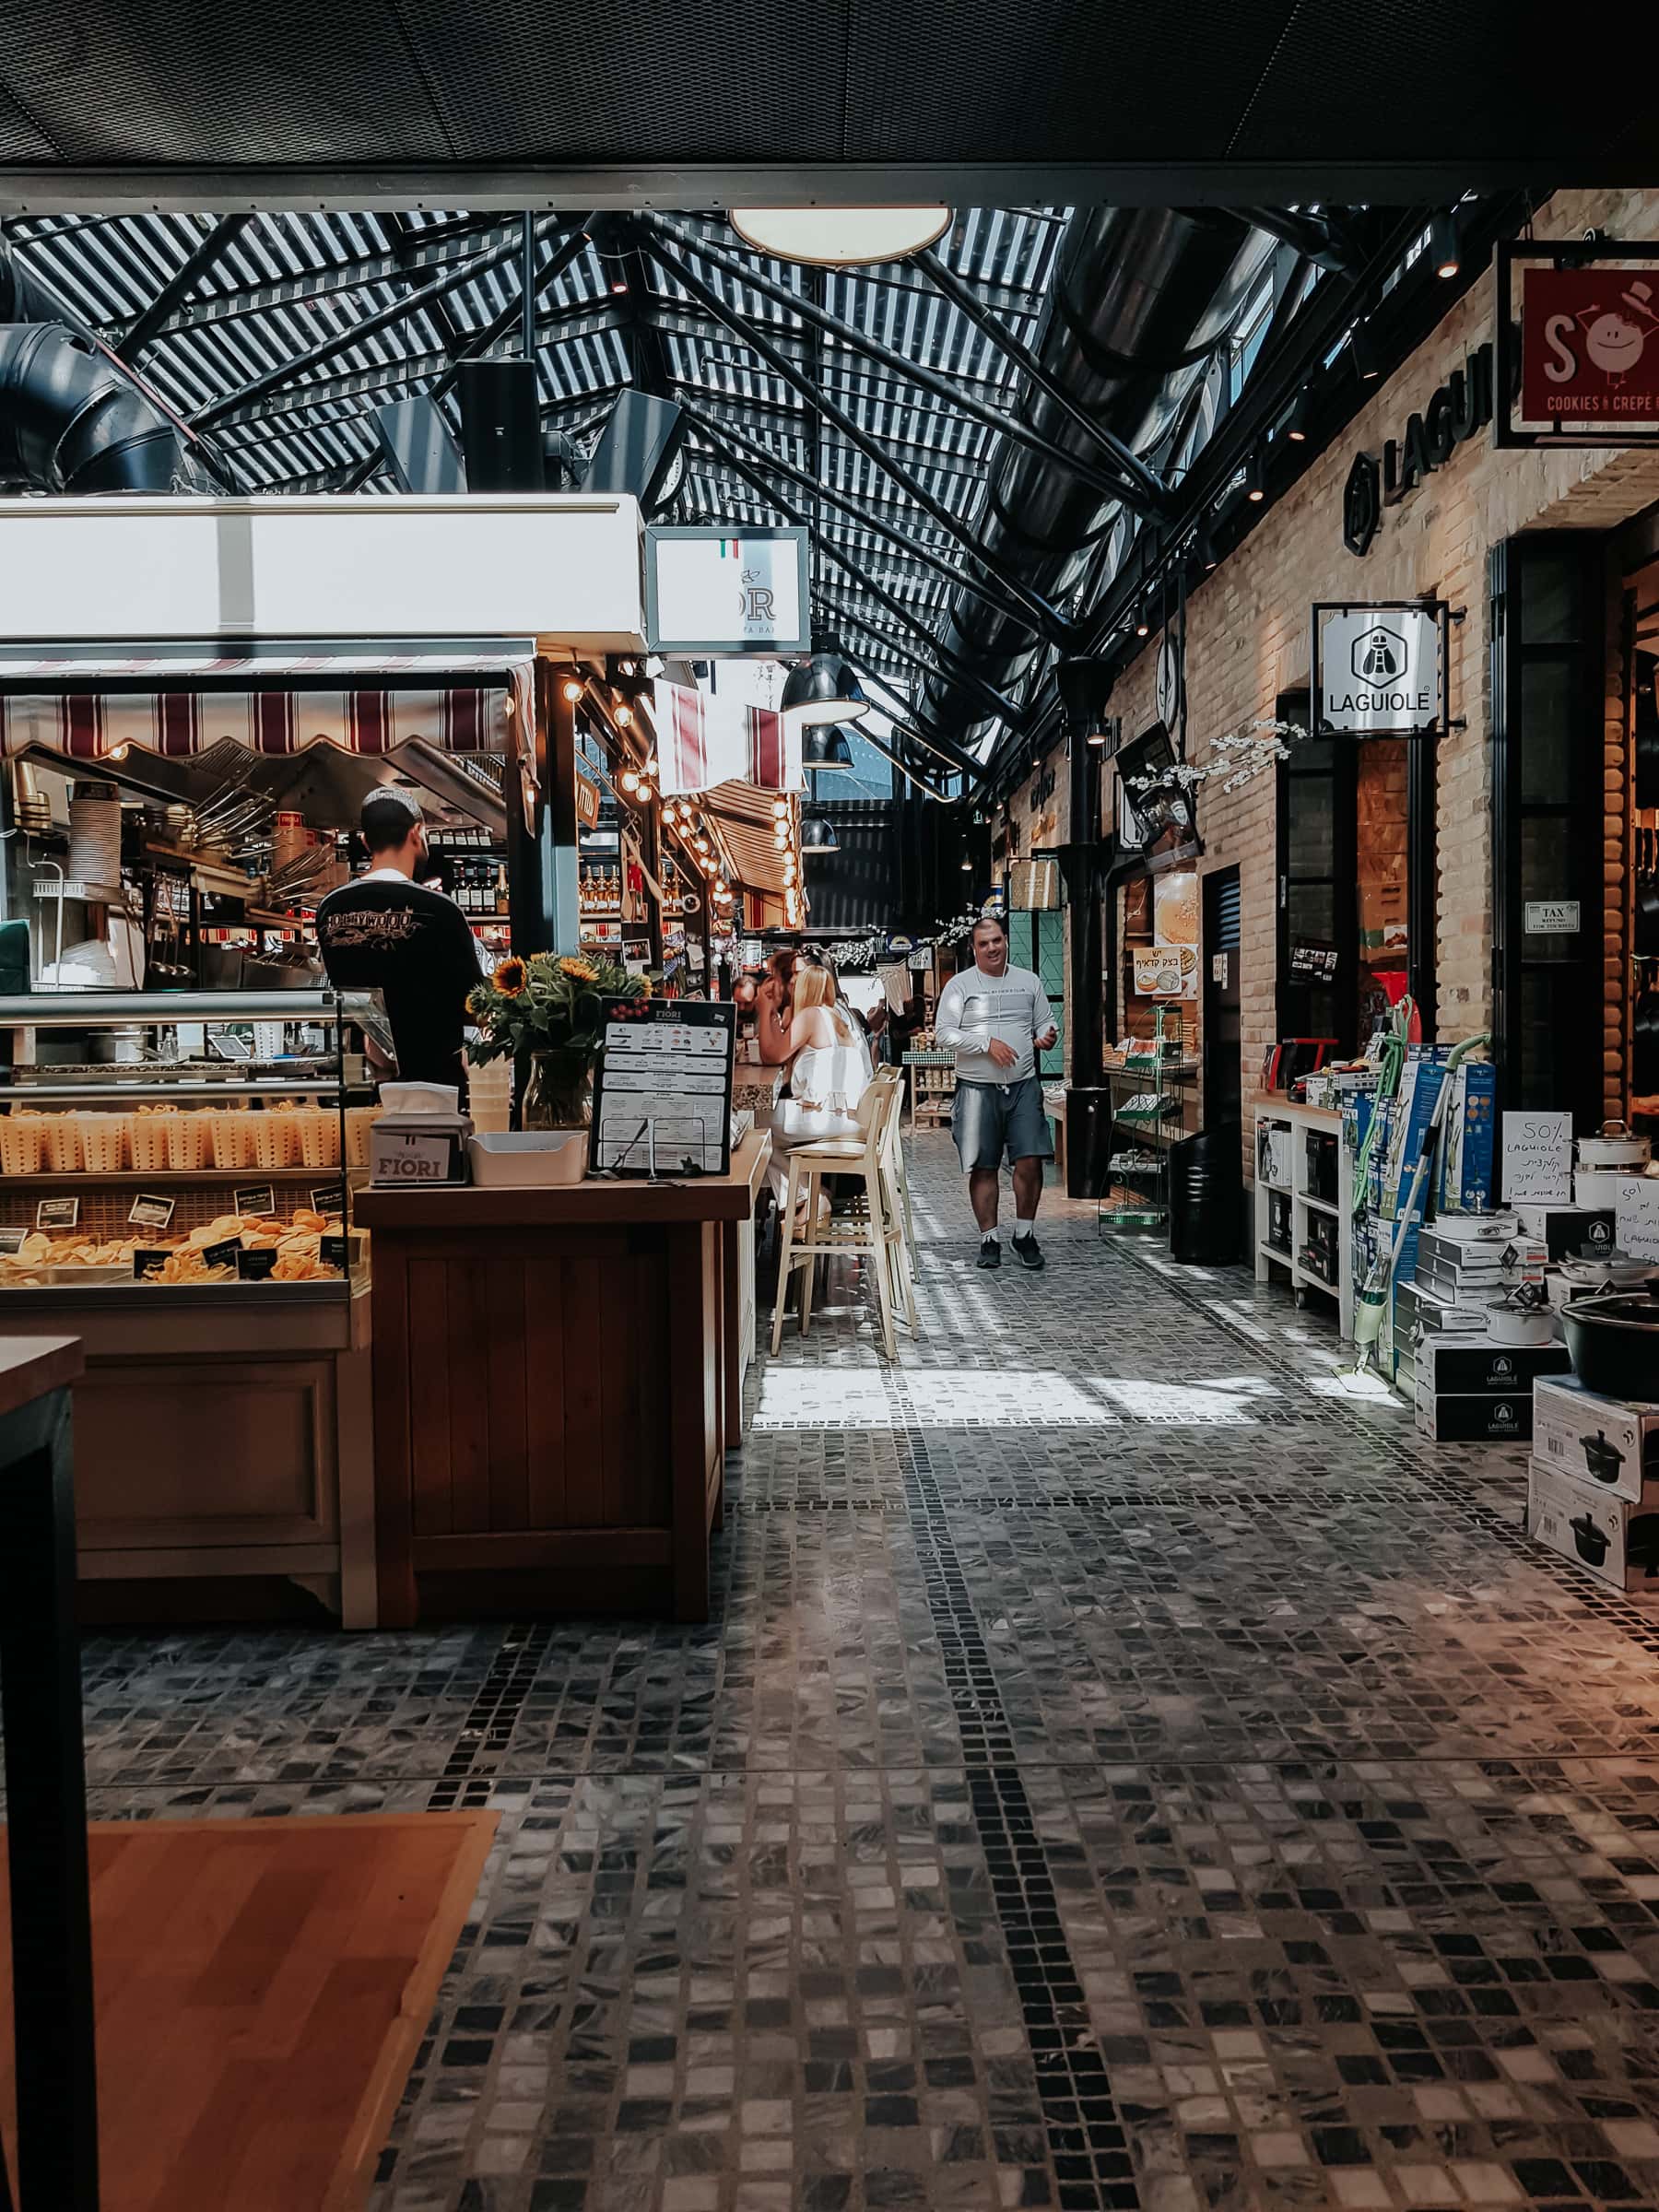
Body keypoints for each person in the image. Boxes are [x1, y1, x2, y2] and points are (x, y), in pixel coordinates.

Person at [314, 788, 483, 1093]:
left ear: (366, 842)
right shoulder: (439, 909)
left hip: (360, 1086)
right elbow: (476, 1002)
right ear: (417, 833)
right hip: (434, 1086)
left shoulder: (330, 908)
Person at [934, 914, 1058, 1271]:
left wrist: (1048, 1036)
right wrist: (986, 1043)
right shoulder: (959, 986)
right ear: (973, 949)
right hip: (976, 1089)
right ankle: (989, 1239)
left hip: (1023, 1085)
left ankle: (1024, 1234)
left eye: (997, 941)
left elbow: (1044, 1024)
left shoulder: (1028, 982)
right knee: (983, 1166)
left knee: (1031, 1159)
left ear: (1006, 941)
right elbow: (944, 1033)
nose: (992, 948)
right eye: (984, 943)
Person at [763, 959, 874, 1207]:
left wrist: (765, 1009)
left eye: (796, 980)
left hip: (825, 1120)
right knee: (771, 1138)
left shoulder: (812, 1015)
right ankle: (809, 1197)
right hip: (853, 1119)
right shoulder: (839, 1019)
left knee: (757, 1133)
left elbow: (772, 1055)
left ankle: (809, 1198)